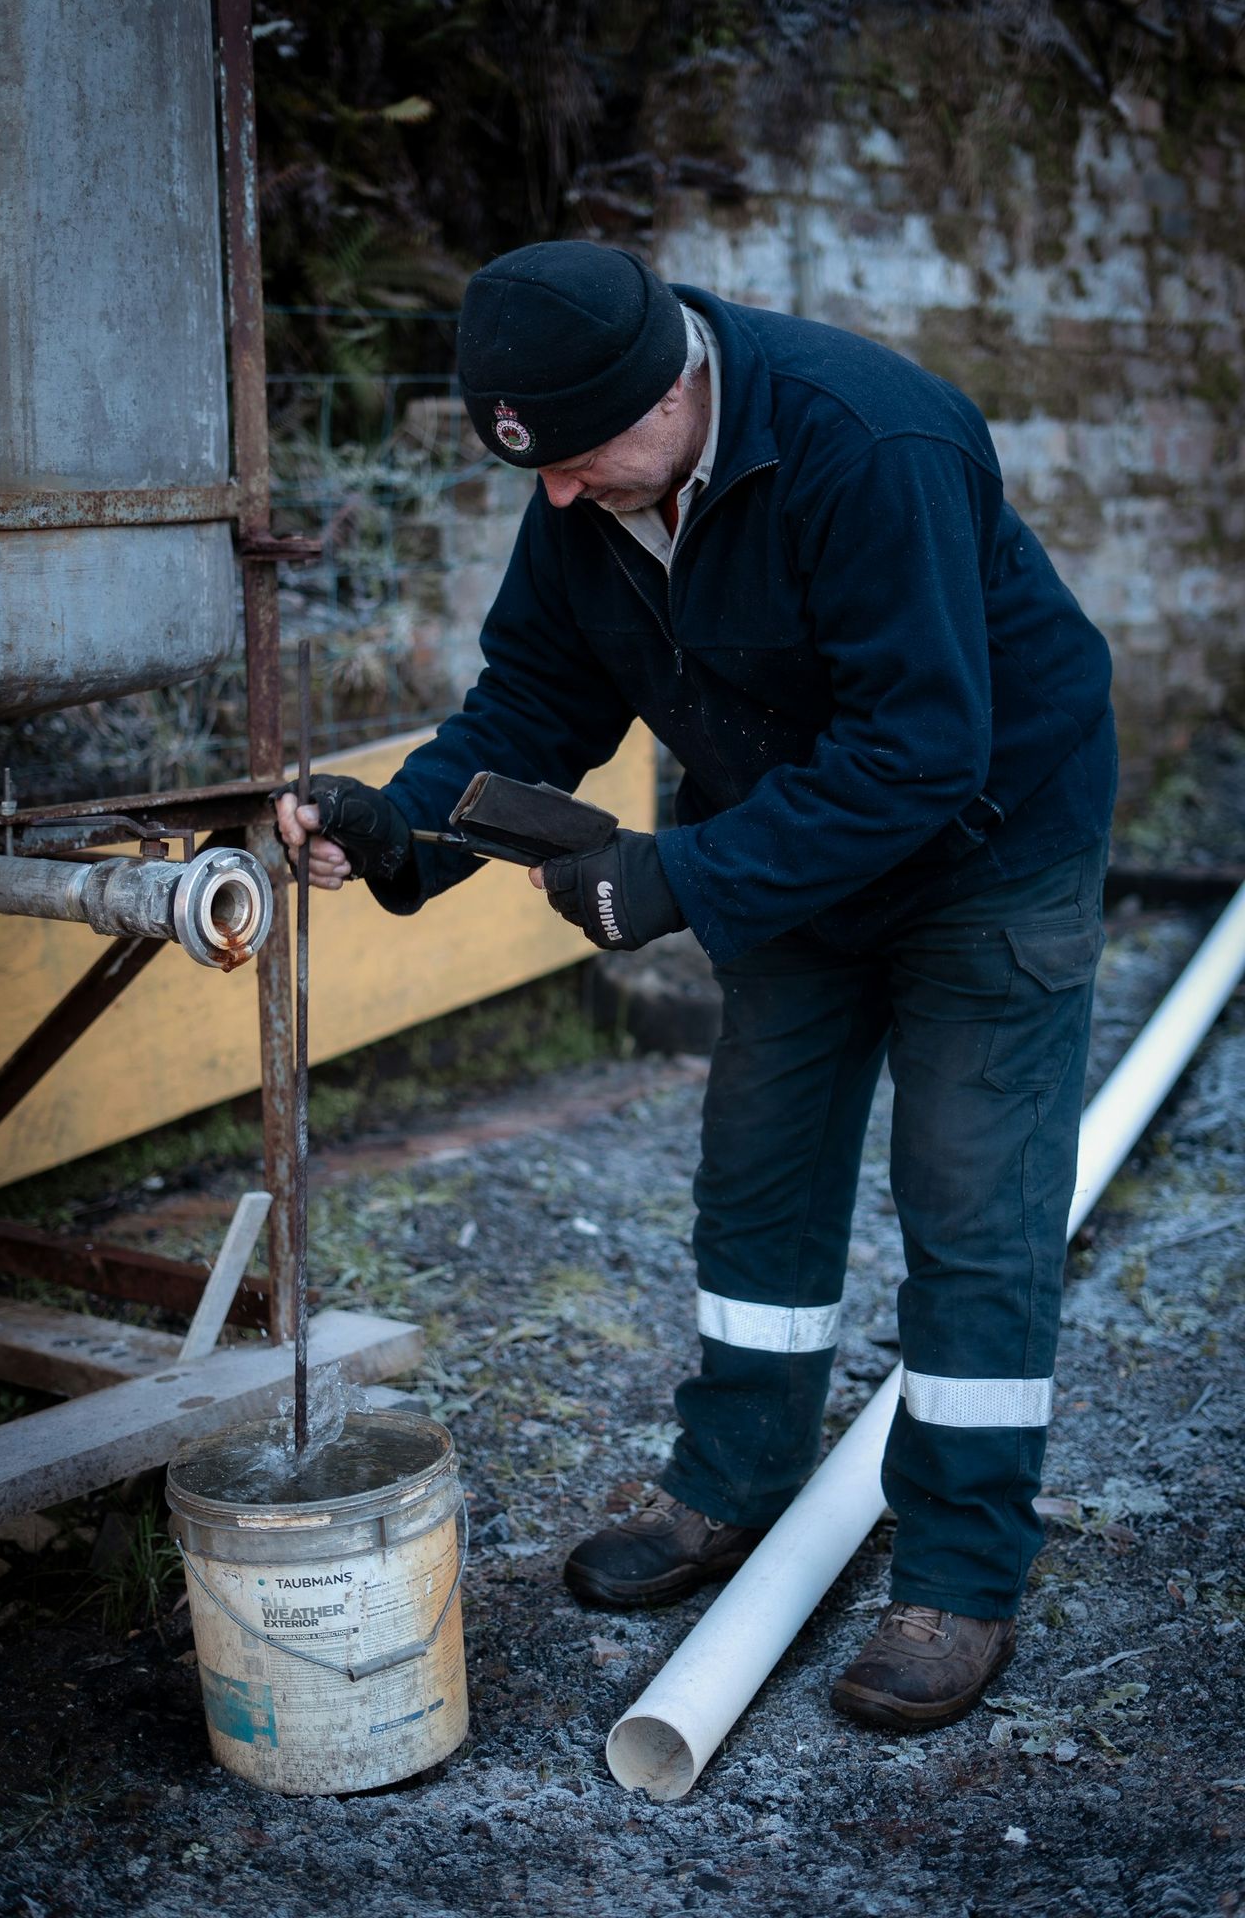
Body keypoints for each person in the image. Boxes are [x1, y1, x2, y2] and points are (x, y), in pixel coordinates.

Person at [276, 241, 1116, 1733]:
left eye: (582, 454)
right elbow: (537, 698)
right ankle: (730, 1483)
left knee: (971, 1206)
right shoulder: (592, 489)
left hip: (990, 850)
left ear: (671, 390)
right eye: (531, 463)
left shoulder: (873, 442)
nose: (555, 493)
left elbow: (925, 750)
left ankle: (965, 1572)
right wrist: (397, 826)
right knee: (759, 1175)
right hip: (789, 839)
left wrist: (685, 879)